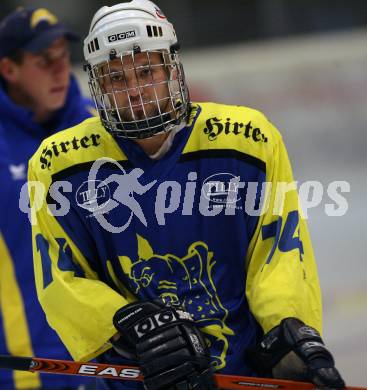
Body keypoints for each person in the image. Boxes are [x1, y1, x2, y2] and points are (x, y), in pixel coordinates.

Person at [28, 1, 345, 389]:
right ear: (97, 84)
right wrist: (129, 324)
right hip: (138, 380)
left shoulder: (247, 140)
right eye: (116, 78)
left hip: (242, 373)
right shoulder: (58, 164)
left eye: (146, 71)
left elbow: (276, 254)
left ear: (172, 68)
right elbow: (62, 278)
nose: (135, 92)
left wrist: (287, 330)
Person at [0, 6, 96, 390]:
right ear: (9, 70)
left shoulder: (98, 126)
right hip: (20, 371)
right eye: (44, 61)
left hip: (109, 367)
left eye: (62, 57)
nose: (60, 70)